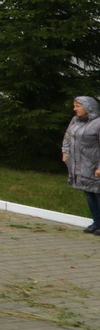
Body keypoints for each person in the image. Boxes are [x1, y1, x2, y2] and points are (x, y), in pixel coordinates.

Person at [63, 96, 100, 234]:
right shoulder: (75, 120)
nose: (74, 109)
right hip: (81, 165)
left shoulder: (98, 123)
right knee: (89, 193)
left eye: (78, 106)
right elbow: (67, 136)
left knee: (98, 194)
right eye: (75, 106)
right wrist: (65, 152)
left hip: (94, 165)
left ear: (88, 107)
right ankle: (96, 222)